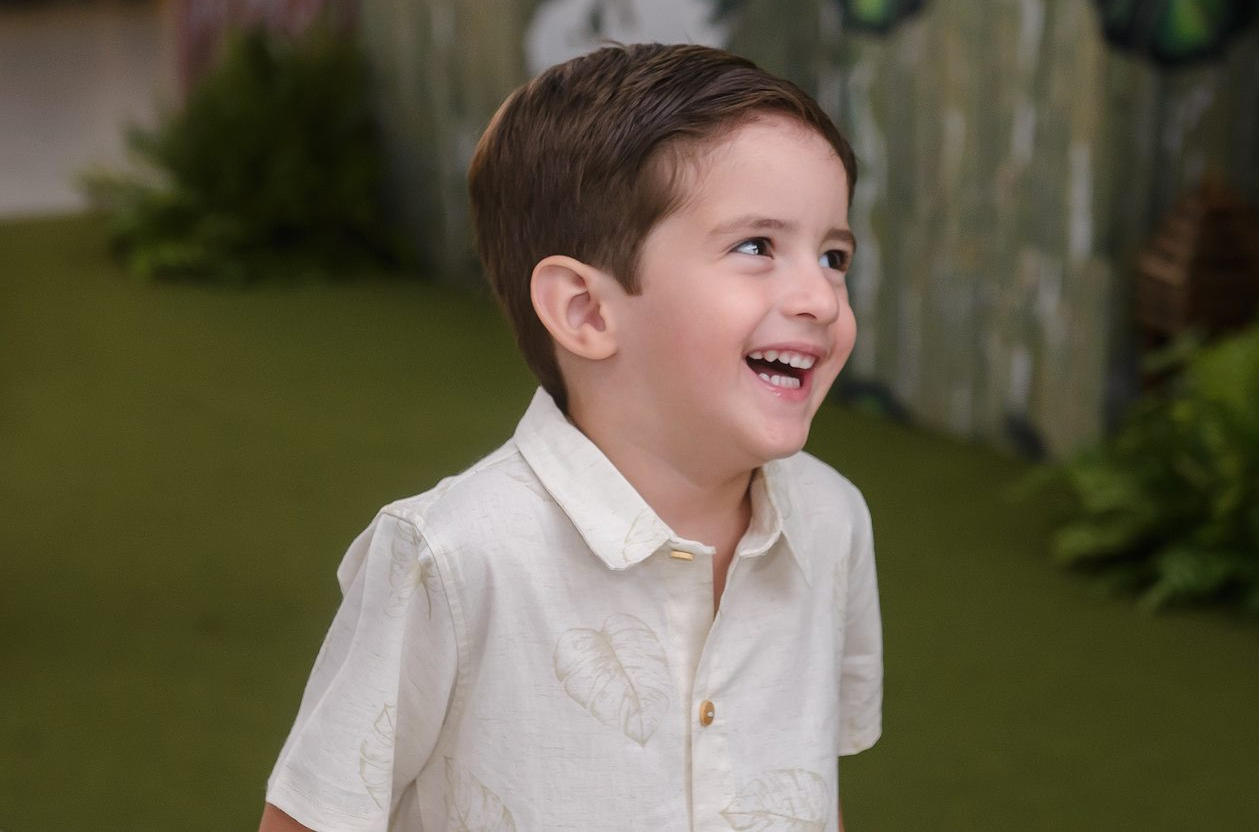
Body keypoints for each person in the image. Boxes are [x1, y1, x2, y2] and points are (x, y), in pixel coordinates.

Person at [259, 43, 882, 832]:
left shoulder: (831, 520)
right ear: (586, 311)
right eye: (756, 246)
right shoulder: (451, 559)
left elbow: (804, 784)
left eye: (833, 256)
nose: (822, 299)